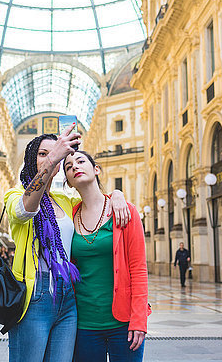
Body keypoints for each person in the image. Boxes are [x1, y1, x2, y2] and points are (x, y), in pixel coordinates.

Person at [4, 124, 131, 362]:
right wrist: (53, 159)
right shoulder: (15, 194)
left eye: (54, 153)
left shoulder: (63, 199)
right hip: (34, 297)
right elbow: (24, 210)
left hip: (68, 298)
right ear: (32, 159)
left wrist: (117, 195)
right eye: (43, 153)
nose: (51, 157)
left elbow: (92, 196)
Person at [64, 150, 149, 362]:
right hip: (83, 325)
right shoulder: (69, 217)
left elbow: (138, 269)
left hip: (124, 324)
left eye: (81, 161)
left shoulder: (125, 211)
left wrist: (139, 320)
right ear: (69, 182)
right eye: (68, 166)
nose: (75, 166)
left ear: (96, 169)